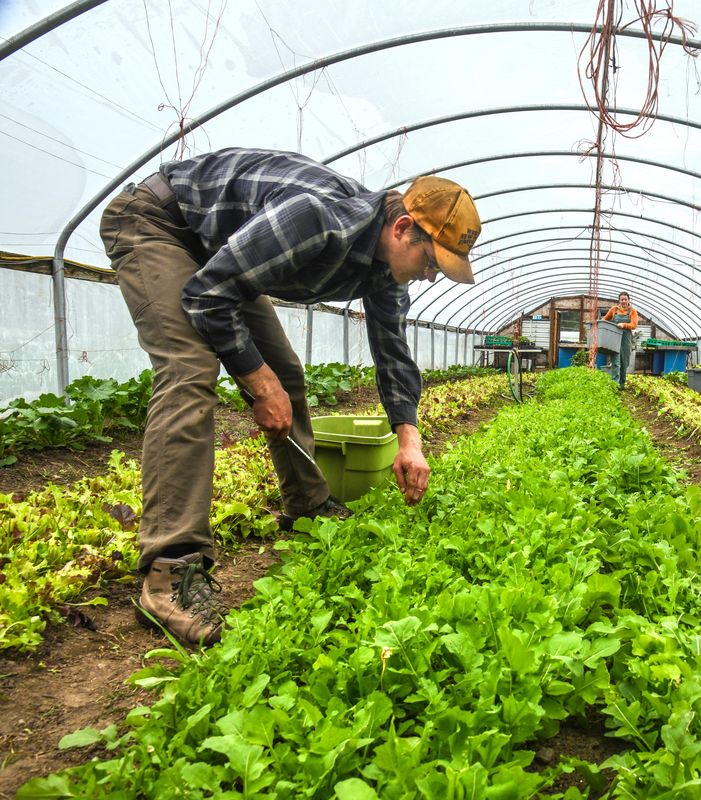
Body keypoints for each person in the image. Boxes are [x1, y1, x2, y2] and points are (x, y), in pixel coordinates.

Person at [99, 147, 482, 645]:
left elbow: (392, 353)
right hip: (161, 226)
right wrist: (258, 386)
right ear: (403, 227)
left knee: (288, 375)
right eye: (431, 261)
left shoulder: (386, 272)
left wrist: (409, 439)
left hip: (221, 250)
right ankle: (171, 570)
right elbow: (207, 296)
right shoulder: (317, 219)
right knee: (190, 370)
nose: (431, 275)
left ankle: (308, 502)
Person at [601, 291, 639, 389]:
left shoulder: (632, 311)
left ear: (628, 300)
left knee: (624, 362)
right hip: (615, 338)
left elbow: (634, 325)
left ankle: (622, 384)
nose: (623, 301)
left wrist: (624, 325)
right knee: (616, 361)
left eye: (625, 299)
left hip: (626, 339)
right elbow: (604, 320)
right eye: (621, 299)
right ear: (619, 300)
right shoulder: (614, 310)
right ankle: (615, 384)